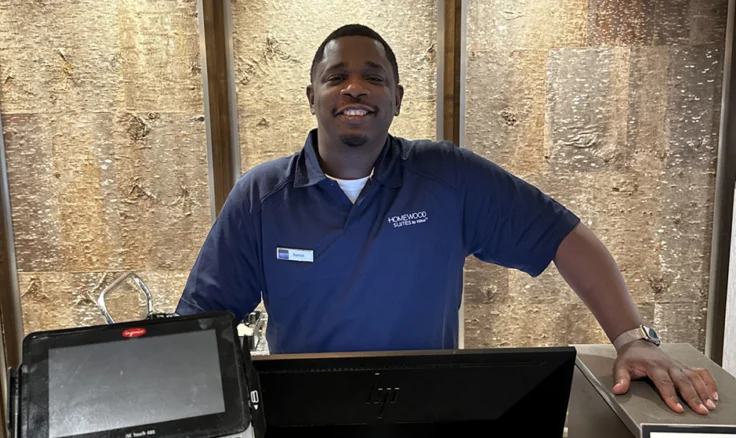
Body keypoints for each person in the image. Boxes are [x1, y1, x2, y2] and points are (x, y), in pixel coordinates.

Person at [176, 24, 718, 415]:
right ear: (312, 96)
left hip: (431, 417)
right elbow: (202, 324)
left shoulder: (447, 177)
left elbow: (565, 237)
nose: (355, 87)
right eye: (336, 76)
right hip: (306, 421)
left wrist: (632, 339)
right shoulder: (261, 197)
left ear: (397, 98)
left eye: (374, 77)